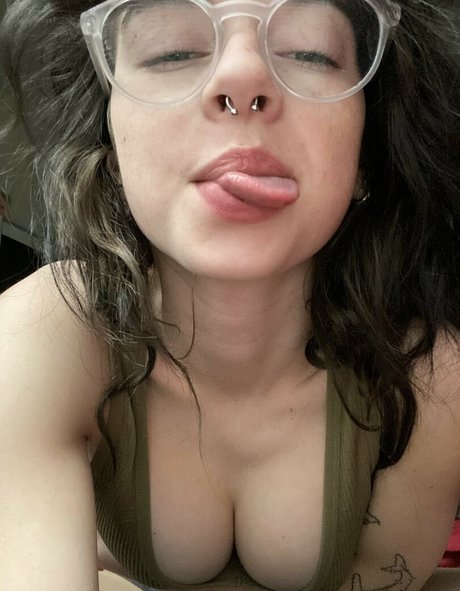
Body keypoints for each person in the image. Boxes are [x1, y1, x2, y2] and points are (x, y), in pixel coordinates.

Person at [0, 0, 459, 590]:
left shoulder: (431, 377)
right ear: (111, 147)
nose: (242, 78)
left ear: (363, 156)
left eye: (310, 52)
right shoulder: (37, 336)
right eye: (172, 51)